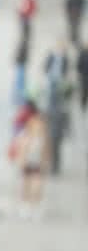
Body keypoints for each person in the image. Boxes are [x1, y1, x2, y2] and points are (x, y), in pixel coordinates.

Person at [15, 108, 51, 219]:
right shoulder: (26, 136)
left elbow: (46, 151)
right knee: (26, 186)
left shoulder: (43, 138)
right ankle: (25, 206)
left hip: (37, 165)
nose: (38, 128)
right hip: (27, 164)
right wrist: (21, 162)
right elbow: (21, 151)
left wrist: (45, 163)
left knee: (37, 187)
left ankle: (35, 207)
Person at [43, 40, 71, 175]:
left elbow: (66, 122)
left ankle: (55, 167)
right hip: (54, 132)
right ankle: (54, 166)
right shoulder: (56, 109)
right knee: (54, 149)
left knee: (56, 149)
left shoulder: (59, 109)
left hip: (56, 133)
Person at [14, 40, 30, 106]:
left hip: (21, 66)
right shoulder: (23, 47)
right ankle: (18, 99)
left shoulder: (23, 47)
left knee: (20, 84)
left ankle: (19, 100)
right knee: (19, 84)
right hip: (21, 66)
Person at [79, 40, 88, 113]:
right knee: (84, 91)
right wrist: (81, 74)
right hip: (84, 75)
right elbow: (79, 64)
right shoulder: (83, 53)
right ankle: (83, 106)